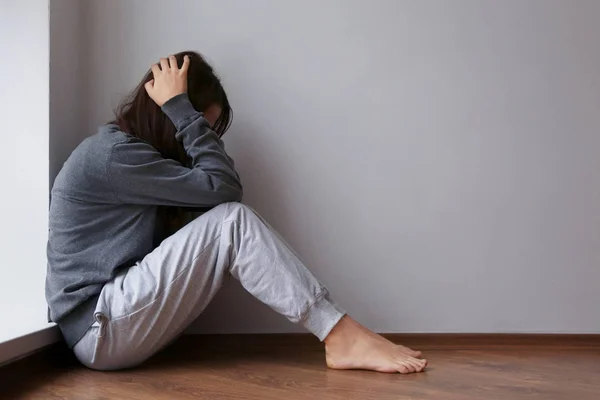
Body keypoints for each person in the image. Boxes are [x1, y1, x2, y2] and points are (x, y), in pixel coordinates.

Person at [46, 51, 427, 374]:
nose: (192, 138)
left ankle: (345, 333)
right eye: (191, 126)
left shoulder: (134, 159)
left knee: (225, 221)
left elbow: (215, 188)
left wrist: (185, 118)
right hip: (100, 327)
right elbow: (225, 189)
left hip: (109, 324)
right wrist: (181, 107)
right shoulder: (115, 156)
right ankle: (340, 336)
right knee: (232, 221)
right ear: (169, 115)